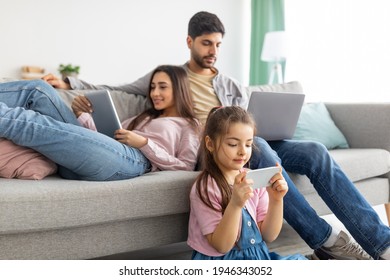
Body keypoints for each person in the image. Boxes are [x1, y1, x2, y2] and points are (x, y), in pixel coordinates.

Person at [42, 12, 390, 260]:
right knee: (261, 148)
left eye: (219, 45)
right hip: (215, 147)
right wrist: (69, 84)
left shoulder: (228, 83)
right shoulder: (170, 76)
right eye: (207, 43)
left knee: (313, 151)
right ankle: (325, 239)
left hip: (249, 139)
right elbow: (115, 88)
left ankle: (380, 243)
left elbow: (249, 119)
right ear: (190, 42)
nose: (213, 51)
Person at [0, 65, 200, 181]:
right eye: (153, 87)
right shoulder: (143, 117)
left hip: (136, 161)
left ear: (179, 89)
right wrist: (81, 114)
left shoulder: (189, 125)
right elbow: (102, 141)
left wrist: (145, 144)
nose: (155, 93)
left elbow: (186, 168)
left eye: (162, 87)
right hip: (94, 156)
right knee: (40, 90)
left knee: (31, 122)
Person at [187, 106, 307, 260]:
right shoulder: (205, 187)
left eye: (248, 144)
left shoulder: (253, 179)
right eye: (232, 144)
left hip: (258, 257)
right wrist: (235, 204)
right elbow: (221, 245)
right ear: (210, 144)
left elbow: (268, 236)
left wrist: (276, 200)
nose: (243, 151)